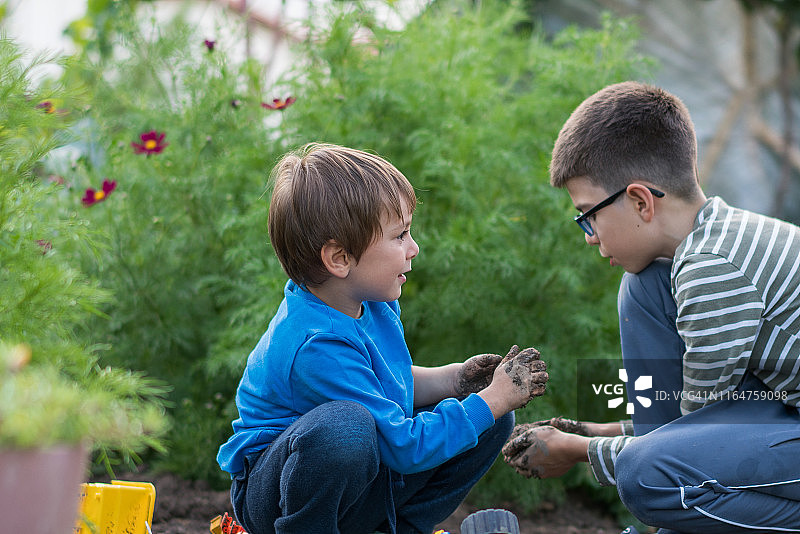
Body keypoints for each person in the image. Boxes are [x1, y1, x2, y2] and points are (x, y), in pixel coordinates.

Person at [502, 81, 800, 533]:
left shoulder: (714, 270)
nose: (588, 235)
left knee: (644, 475)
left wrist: (579, 449)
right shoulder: (708, 244)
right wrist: (602, 431)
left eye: (588, 215)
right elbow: (695, 429)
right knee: (643, 286)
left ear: (640, 201)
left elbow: (695, 442)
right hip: (780, 412)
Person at [216, 143, 549, 534]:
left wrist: (456, 379)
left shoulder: (367, 299)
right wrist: (491, 398)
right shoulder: (316, 344)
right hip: (277, 497)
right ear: (339, 259)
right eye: (400, 235)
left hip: (362, 475)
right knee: (347, 428)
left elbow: (385, 383)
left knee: (489, 420)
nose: (414, 248)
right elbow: (404, 447)